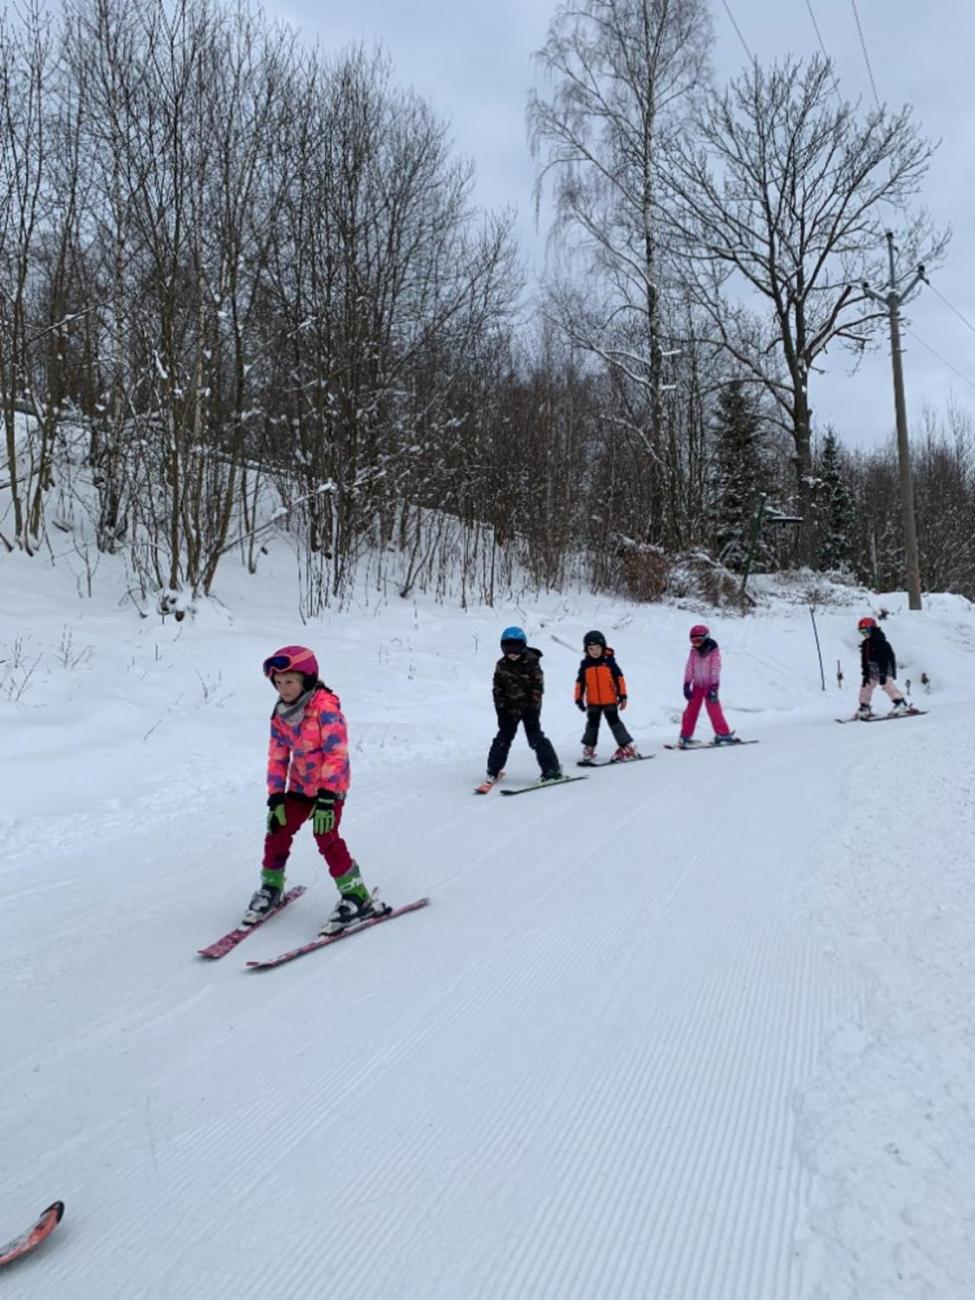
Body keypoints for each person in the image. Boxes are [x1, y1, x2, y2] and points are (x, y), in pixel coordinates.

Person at [243, 645, 379, 936]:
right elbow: (278, 756)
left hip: (329, 789)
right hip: (299, 788)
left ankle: (357, 896)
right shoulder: (281, 713)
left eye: (290, 681)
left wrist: (328, 799)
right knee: (278, 827)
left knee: (325, 834)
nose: (284, 688)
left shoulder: (325, 709)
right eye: (278, 683)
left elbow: (336, 754)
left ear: (307, 678)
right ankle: (271, 887)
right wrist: (275, 796)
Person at [484, 626, 564, 785]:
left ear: (523, 647)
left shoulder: (532, 662)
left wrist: (533, 707)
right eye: (508, 648)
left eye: (516, 648)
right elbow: (497, 688)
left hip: (529, 709)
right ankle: (493, 770)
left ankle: (552, 769)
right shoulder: (501, 665)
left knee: (535, 738)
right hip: (508, 710)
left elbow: (538, 687)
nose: (512, 653)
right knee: (502, 739)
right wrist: (500, 709)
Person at [574, 630, 638, 763]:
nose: (595, 651)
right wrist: (578, 698)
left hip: (609, 700)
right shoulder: (585, 665)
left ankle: (628, 746)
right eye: (591, 649)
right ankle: (589, 747)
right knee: (592, 725)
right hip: (592, 702)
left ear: (603, 647)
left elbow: (619, 678)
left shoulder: (609, 662)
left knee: (615, 723)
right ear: (587, 650)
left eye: (597, 648)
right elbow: (580, 683)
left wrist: (623, 696)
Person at [678, 624, 738, 747]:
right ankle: (685, 736)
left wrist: (714, 687)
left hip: (710, 685)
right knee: (691, 710)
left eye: (699, 641)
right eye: (693, 641)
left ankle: (723, 734)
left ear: (706, 638)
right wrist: (687, 684)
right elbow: (689, 668)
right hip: (697, 686)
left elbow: (715, 669)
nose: (696, 644)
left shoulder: (713, 652)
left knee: (714, 709)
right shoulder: (694, 652)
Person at [857, 616, 909, 717]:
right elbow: (864, 660)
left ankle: (900, 703)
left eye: (866, 631)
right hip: (872, 668)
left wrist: (883, 672)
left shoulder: (881, 642)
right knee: (866, 687)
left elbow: (885, 658)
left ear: (872, 629)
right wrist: (865, 674)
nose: (865, 634)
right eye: (862, 632)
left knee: (887, 685)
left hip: (885, 667)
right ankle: (864, 707)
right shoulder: (865, 643)